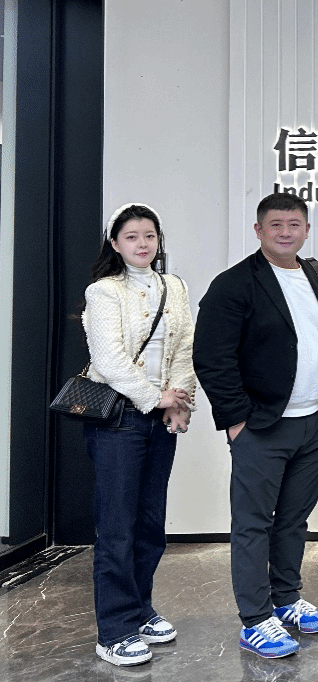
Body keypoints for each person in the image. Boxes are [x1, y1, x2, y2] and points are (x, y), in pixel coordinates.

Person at [193, 192, 318, 659]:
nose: (285, 232)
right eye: (275, 224)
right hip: (262, 427)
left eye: (293, 224)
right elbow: (212, 357)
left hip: (315, 422)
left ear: (306, 230)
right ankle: (256, 619)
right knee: (253, 524)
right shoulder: (234, 284)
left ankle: (287, 598)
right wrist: (237, 420)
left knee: (294, 520)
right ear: (258, 230)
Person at [81, 203, 195, 666]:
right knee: (117, 529)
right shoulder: (103, 292)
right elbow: (108, 359)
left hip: (160, 418)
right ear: (115, 243)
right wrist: (155, 397)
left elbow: (185, 347)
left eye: (149, 235)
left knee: (150, 525)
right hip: (119, 420)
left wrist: (180, 402)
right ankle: (114, 630)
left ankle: (141, 609)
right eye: (131, 236)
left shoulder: (174, 287)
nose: (142, 244)